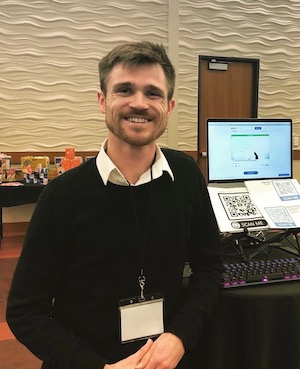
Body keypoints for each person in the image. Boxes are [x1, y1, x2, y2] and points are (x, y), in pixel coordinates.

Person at [6, 41, 223, 369]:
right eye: (125, 90)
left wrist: (180, 336)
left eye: (153, 93)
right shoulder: (63, 195)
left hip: (166, 361)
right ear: (102, 100)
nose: (140, 103)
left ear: (170, 106)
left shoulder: (187, 176)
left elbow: (210, 268)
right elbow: (25, 312)